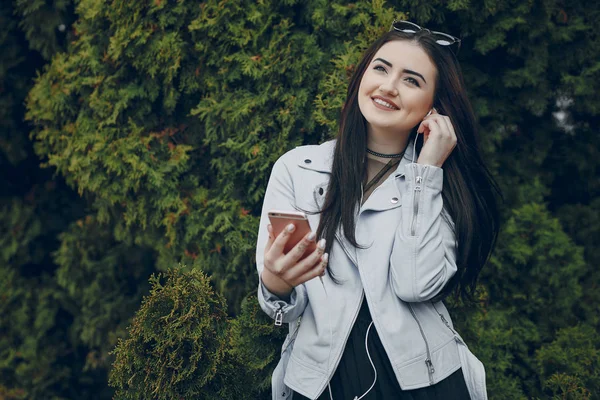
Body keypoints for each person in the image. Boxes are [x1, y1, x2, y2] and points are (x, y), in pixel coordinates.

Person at [255, 20, 501, 400]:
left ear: (434, 106)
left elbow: (416, 284)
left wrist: (426, 172)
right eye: (381, 68)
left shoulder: (443, 181)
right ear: (362, 77)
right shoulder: (297, 169)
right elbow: (282, 310)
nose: (388, 86)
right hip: (321, 384)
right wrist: (276, 282)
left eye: (412, 80)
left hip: (427, 383)